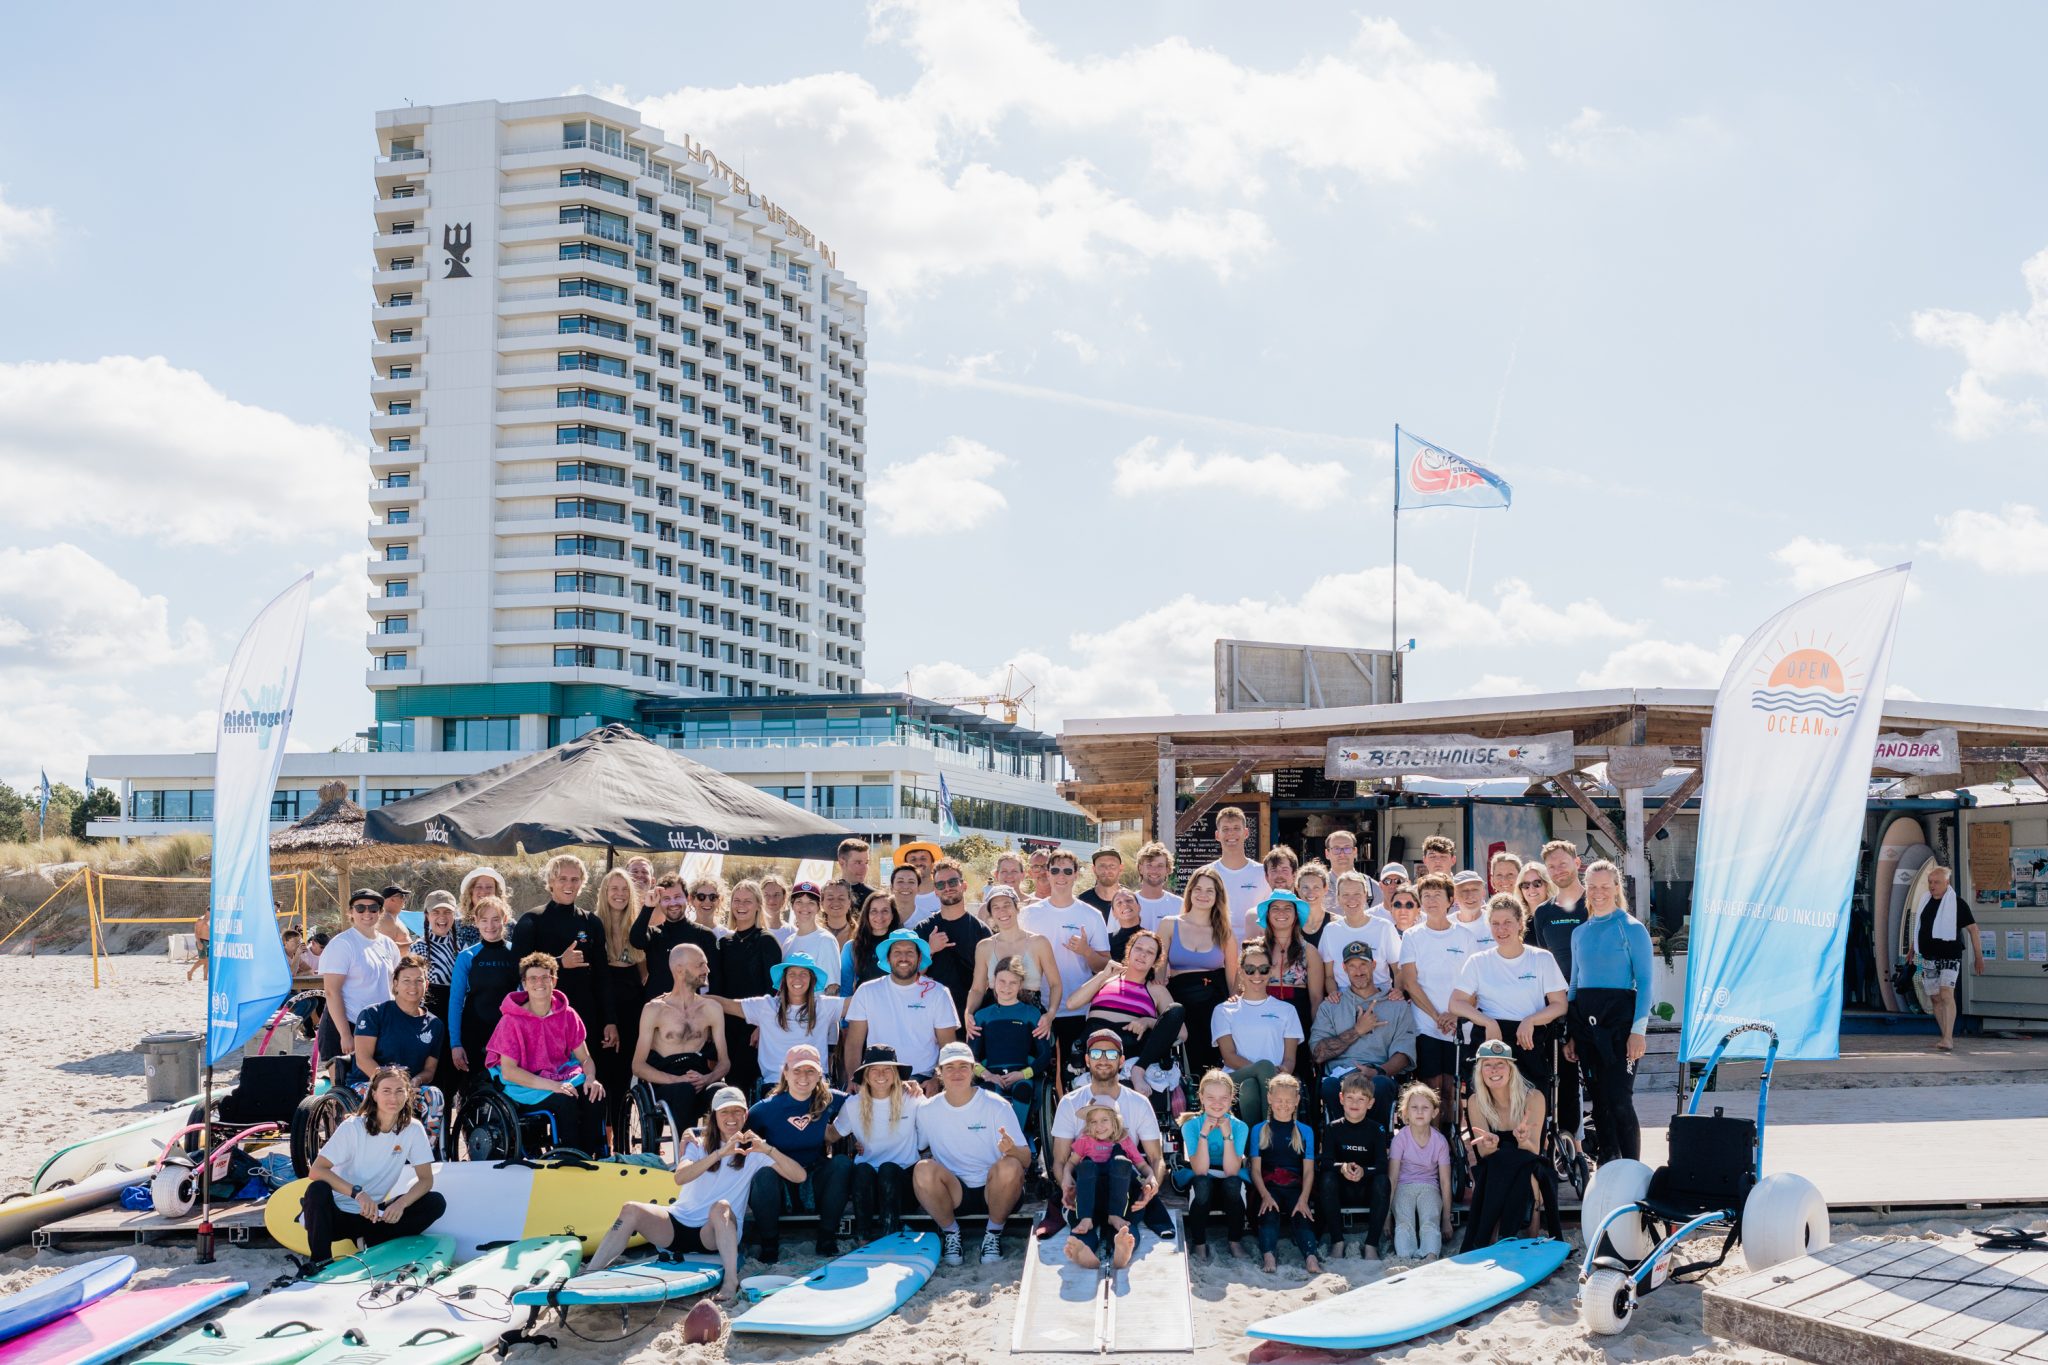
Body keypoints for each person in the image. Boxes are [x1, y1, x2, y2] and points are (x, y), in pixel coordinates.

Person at [585, 1085, 803, 1301]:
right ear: (715, 1115)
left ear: (745, 1115)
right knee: (631, 1209)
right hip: (677, 1226)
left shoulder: (753, 1152)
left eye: (737, 1111)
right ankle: (589, 1274)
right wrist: (719, 1153)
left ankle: (730, 1281)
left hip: (713, 1235)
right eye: (725, 1111)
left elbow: (799, 1176)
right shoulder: (698, 1143)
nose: (731, 1117)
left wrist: (767, 1149)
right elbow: (680, 1177)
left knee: (721, 1206)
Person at [301, 1066, 446, 1262]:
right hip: (336, 1214)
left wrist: (401, 1205)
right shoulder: (353, 1127)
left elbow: (426, 1180)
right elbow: (317, 1170)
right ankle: (320, 1261)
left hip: (374, 1216)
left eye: (399, 1091)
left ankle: (369, 1239)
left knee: (435, 1203)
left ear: (408, 1095)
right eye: (386, 1091)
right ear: (374, 1095)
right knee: (316, 1189)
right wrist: (358, 1194)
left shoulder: (413, 1129)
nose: (393, 1098)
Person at [1040, 1030, 1171, 1243]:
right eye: (1096, 1053)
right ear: (1086, 1060)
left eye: (1110, 1054)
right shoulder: (1070, 1103)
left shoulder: (1139, 1103)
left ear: (1121, 1061)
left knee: (1127, 1234)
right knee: (1082, 1237)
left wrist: (1152, 1183)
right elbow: (1061, 1161)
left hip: (1123, 1186)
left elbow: (1156, 1159)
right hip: (1085, 1185)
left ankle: (1121, 1243)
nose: (1102, 1059)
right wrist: (1066, 1183)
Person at [1567, 859, 1654, 1164]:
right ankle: (1608, 1164)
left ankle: (1631, 1167)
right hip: (1588, 1025)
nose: (1598, 892)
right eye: (1592, 887)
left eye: (1605, 886)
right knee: (1600, 1102)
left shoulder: (1631, 928)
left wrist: (1638, 1032)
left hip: (1620, 1025)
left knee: (1619, 1099)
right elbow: (1575, 985)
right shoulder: (1580, 933)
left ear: (1616, 888)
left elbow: (1645, 983)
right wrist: (1573, 1034)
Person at [912, 1040, 1029, 1267]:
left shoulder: (997, 1105)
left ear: (973, 1070)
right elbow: (916, 1150)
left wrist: (1012, 1150)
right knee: (922, 1169)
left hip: (995, 1191)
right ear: (940, 1072)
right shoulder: (926, 1110)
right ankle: (951, 1233)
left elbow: (1025, 1160)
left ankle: (993, 1235)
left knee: (1011, 1165)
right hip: (954, 1193)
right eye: (950, 1067)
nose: (957, 1073)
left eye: (963, 1066)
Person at [484, 951, 607, 1153]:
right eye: (532, 978)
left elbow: (585, 1058)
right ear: (524, 983)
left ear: (554, 981)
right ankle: (571, 1158)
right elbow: (509, 1072)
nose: (538, 982)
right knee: (565, 1100)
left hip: (560, 1075)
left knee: (594, 1094)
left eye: (545, 977)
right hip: (525, 1085)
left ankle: (595, 1155)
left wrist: (591, 1078)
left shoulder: (567, 1014)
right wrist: (554, 1086)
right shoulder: (511, 1020)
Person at [510, 856, 616, 1088]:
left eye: (575, 879)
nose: (569, 885)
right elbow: (517, 969)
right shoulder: (532, 921)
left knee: (585, 1082)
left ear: (582, 883)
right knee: (547, 1086)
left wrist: (610, 1020)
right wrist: (559, 962)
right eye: (562, 879)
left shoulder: (591, 922)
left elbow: (603, 976)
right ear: (550, 881)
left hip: (585, 1017)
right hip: (543, 1018)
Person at [1450, 895, 1569, 1096]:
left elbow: (1560, 1004)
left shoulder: (1541, 958)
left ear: (1520, 923)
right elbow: (1455, 1003)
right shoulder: (1478, 961)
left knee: (1533, 1096)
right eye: (1495, 923)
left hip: (1528, 1038)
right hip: (1490, 1037)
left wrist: (1531, 1020)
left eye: (1507, 922)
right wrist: (1487, 1022)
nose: (1501, 929)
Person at [744, 1044, 852, 1261]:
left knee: (842, 1164)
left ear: (819, 1074)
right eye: (797, 1070)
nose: (804, 1077)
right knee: (762, 1175)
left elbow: (870, 1101)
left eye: (810, 1071)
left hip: (815, 1177)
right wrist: (693, 1134)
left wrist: (906, 1088)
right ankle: (769, 1244)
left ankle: (826, 1237)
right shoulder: (766, 1108)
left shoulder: (831, 1099)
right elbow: (731, 1132)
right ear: (785, 1072)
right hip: (780, 1180)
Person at [1461, 1040, 1562, 1250]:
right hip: (1495, 1162)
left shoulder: (1533, 1097)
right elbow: (1483, 1152)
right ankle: (1498, 1237)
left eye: (1500, 1063)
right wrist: (1492, 1145)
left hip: (1529, 1160)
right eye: (1487, 1064)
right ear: (1480, 1071)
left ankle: (1526, 1237)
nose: (1494, 1069)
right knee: (1498, 1166)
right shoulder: (1475, 1101)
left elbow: (1534, 1150)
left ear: (1511, 1069)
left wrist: (1523, 1139)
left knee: (1528, 1172)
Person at [1399, 873, 1478, 1130]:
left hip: (1460, 1027)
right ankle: (1431, 1145)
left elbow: (1475, 984)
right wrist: (1437, 1017)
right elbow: (1410, 982)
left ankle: (1453, 1145)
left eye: (1437, 895)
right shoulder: (1411, 936)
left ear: (1450, 900)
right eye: (1426, 896)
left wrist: (1455, 1016)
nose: (1431, 900)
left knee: (1452, 1088)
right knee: (1431, 1090)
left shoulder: (1466, 937)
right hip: (1425, 1024)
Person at [1065, 929, 1186, 1096]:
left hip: (1131, 1042)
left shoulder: (1156, 990)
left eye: (1150, 952)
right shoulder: (1106, 978)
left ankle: (1138, 1070)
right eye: (1139, 948)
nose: (1143, 954)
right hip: (1096, 1039)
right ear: (1129, 951)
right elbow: (1071, 1003)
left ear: (1155, 961)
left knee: (1177, 1009)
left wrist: (1148, 1022)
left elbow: (1182, 1032)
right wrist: (1103, 975)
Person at [1020, 851, 1111, 1065]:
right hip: (1037, 1007)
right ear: (1048, 874)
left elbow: (1106, 966)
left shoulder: (1091, 915)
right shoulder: (1028, 914)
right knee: (1037, 1068)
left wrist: (1086, 951)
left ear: (1076, 875)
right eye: (1055, 870)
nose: (1061, 875)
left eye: (1067, 871)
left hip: (1078, 1007)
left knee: (1071, 1070)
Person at [712, 952, 846, 1095]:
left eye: (803, 974)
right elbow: (727, 1005)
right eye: (792, 973)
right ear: (784, 979)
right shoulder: (766, 1006)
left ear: (812, 979)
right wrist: (691, 997)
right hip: (775, 1085)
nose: (797, 978)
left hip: (814, 1084)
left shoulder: (824, 1006)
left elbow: (861, 1001)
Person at [1309, 941, 1416, 1118]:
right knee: (1329, 1087)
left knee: (1382, 1086)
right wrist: (1357, 1031)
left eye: (1363, 965)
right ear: (1344, 968)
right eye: (1352, 966)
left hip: (1379, 1073)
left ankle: (1378, 1139)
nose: (1358, 972)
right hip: (1340, 1075)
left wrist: (1378, 1072)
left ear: (1374, 965)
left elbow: (1404, 1054)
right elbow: (1318, 1054)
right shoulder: (1332, 1005)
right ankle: (1338, 1138)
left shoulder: (1396, 1005)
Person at [632, 943, 729, 1135]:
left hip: (700, 1077)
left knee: (723, 1092)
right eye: (700, 965)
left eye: (706, 964)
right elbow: (638, 1066)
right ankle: (688, 1153)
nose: (707, 970)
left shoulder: (712, 1008)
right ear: (679, 969)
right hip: (667, 1082)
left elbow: (725, 1061)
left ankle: (722, 1154)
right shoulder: (654, 1010)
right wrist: (677, 1080)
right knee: (683, 1090)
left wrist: (708, 1078)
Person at [351, 956, 448, 1143]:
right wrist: (392, 1087)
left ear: (426, 985)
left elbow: (429, 1070)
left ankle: (425, 1153)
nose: (413, 986)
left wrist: (416, 1081)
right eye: (406, 980)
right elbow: (363, 1059)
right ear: (395, 985)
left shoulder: (435, 1024)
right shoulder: (374, 1014)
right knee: (391, 1096)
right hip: (369, 1083)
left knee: (434, 1094)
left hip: (409, 1087)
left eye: (419, 980)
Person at [843, 931, 961, 1085]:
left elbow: (948, 1046)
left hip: (923, 1081)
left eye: (910, 952)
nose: (903, 958)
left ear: (919, 958)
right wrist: (853, 1079)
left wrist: (937, 1080)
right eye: (897, 952)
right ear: (888, 958)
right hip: (878, 1080)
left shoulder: (938, 993)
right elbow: (854, 1043)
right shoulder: (867, 991)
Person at [831, 1045, 922, 1240]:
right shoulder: (853, 1104)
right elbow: (831, 1135)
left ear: (896, 1072)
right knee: (862, 1169)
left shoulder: (912, 1099)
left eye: (887, 1068)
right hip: (868, 1189)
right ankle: (863, 1237)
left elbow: (931, 1132)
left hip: (903, 1184)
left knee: (888, 1169)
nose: (881, 1074)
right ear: (866, 1074)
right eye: (874, 1069)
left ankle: (890, 1235)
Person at [1213, 941, 1304, 1127]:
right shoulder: (1223, 1010)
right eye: (1250, 969)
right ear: (1240, 971)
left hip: (1274, 1080)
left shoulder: (1287, 1010)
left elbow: (1289, 1059)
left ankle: (1253, 1149)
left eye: (1263, 969)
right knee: (1261, 1069)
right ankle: (1272, 1135)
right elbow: (1229, 1057)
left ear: (1270, 971)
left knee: (1250, 1089)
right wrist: (1264, 1070)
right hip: (1233, 1078)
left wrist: (1283, 1070)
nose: (1257, 975)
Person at [1156, 867, 1237, 1075]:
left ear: (1218, 896)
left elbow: (1233, 981)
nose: (1203, 895)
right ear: (1190, 891)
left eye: (1210, 891)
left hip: (1213, 1005)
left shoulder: (1225, 932)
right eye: (1198, 889)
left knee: (1212, 1064)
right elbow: (1158, 975)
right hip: (1179, 1002)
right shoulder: (1168, 924)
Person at [321, 890, 405, 1085]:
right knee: (342, 1092)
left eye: (373, 908)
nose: (367, 912)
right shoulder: (342, 944)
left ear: (380, 911)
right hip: (346, 1024)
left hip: (379, 1026)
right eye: (360, 908)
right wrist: (345, 1034)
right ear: (351, 912)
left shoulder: (388, 944)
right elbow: (332, 992)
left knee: (378, 1089)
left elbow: (394, 986)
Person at [593, 869, 647, 1151]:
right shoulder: (593, 924)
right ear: (604, 891)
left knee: (624, 1076)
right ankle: (605, 1139)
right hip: (602, 1001)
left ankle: (622, 1143)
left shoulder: (638, 926)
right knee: (602, 1073)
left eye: (624, 889)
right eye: (613, 888)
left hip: (631, 1003)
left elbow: (644, 974)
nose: (619, 894)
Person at [1064, 1101, 1153, 1270]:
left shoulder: (1124, 1141)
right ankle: (1084, 1250)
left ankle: (1123, 1250)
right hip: (1090, 1202)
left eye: (1104, 1120)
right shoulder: (1085, 1140)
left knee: (1121, 1162)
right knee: (1086, 1166)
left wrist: (1151, 1176)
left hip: (1119, 1200)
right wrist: (1066, 1176)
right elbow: (1070, 1163)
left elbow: (1141, 1165)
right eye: (1093, 1122)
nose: (1099, 1126)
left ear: (1115, 1121)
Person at [1248, 1073, 1321, 1276]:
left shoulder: (1305, 1131)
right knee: (1268, 1213)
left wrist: (1304, 1199)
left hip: (1295, 1185)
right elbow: (1255, 1169)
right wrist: (1265, 1196)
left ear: (1297, 1100)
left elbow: (1308, 1171)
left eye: (1289, 1101)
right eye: (1279, 1100)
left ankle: (1310, 1255)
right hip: (1268, 1185)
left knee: (1302, 1214)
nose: (1284, 1105)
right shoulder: (1259, 1130)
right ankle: (1268, 1254)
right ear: (1270, 1098)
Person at [718, 879, 784, 1097]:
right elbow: (720, 987)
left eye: (747, 900)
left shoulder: (766, 941)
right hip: (729, 1025)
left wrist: (762, 1025)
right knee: (733, 1085)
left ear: (758, 904)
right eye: (736, 900)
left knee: (751, 1086)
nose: (741, 905)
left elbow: (776, 988)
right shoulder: (725, 942)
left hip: (755, 1027)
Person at [1318, 1071, 1391, 1260]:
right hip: (1341, 1190)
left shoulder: (1377, 1130)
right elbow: (1325, 1162)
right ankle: (1337, 1241)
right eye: (1350, 1097)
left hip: (1367, 1189)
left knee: (1383, 1181)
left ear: (1371, 1103)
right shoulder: (1333, 1128)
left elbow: (1382, 1165)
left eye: (1361, 1099)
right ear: (1341, 1099)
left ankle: (1371, 1244)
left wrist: (1364, 1171)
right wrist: (1342, 1167)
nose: (1355, 1103)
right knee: (1326, 1178)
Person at [1914, 863, 1986, 1053]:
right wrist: (1913, 949)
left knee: (1946, 994)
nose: (1932, 886)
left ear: (1946, 882)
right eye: (1930, 882)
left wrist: (1979, 956)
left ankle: (1948, 1038)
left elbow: (1973, 929)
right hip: (1928, 955)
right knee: (1935, 998)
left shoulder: (1957, 903)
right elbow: (1920, 928)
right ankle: (1944, 1035)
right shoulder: (1924, 901)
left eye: (1936, 882)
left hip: (1950, 955)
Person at [1178, 1068, 1248, 1261]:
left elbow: (1232, 1170)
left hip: (1227, 1180)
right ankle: (1199, 1243)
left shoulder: (1240, 1126)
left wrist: (1227, 1135)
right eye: (1211, 1097)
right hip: (1204, 1181)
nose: (1217, 1104)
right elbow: (1200, 1170)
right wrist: (1203, 1134)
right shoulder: (1191, 1126)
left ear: (1232, 1098)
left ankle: (1235, 1241)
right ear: (1201, 1097)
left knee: (1234, 1184)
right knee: (1201, 1184)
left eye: (1223, 1098)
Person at [449, 897, 519, 1085]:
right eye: (484, 920)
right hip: (474, 1034)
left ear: (505, 920)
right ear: (476, 921)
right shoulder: (467, 957)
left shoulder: (516, 954)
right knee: (473, 1091)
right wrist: (456, 1044)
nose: (490, 925)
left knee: (506, 1090)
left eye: (496, 919)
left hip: (508, 1036)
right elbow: (455, 1003)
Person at [971, 956, 1044, 1136]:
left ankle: (1016, 1139)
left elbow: (1044, 1055)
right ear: (993, 982)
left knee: (1023, 1090)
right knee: (988, 1093)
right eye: (1002, 981)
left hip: (1021, 1076)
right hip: (991, 1077)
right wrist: (987, 1075)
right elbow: (970, 1057)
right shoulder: (981, 1016)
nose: (1006, 987)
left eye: (1013, 983)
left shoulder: (1032, 1014)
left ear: (1021, 985)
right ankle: (991, 1140)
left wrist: (1022, 1074)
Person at [965, 885, 1062, 1021]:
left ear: (1017, 908)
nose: (1002, 911)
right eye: (996, 907)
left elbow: (1055, 984)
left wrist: (1050, 1015)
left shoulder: (1039, 943)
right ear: (991, 914)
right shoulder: (984, 947)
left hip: (1031, 1020)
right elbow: (977, 989)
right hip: (994, 1020)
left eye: (1007, 905)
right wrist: (968, 1013)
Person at [632, 873, 722, 1001]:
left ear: (687, 898)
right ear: (659, 902)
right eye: (666, 898)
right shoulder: (654, 934)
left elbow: (716, 981)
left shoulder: (705, 935)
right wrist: (648, 907)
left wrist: (706, 1010)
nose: (672, 903)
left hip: (691, 1013)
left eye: (677, 897)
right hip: (656, 1012)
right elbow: (636, 940)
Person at [919, 857, 991, 1015]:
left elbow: (989, 980)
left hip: (971, 1013)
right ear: (935, 891)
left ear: (963, 886)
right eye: (940, 884)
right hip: (931, 1013)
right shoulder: (924, 928)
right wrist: (929, 950)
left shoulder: (982, 931)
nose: (947, 888)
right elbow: (912, 975)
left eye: (952, 882)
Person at [1387, 1082, 1452, 1259]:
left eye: (1425, 1107)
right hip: (1403, 1186)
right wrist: (1386, 1216)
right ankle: (1405, 1256)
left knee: (1430, 1220)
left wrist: (1446, 1219)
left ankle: (1430, 1255)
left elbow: (1445, 1181)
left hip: (1429, 1186)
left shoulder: (1439, 1141)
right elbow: (1392, 1178)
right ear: (1406, 1112)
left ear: (1435, 1112)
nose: (1420, 1112)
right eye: (1414, 1107)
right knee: (1404, 1221)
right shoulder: (1400, 1139)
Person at [1318, 871, 1402, 997]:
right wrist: (1333, 994)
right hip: (1345, 997)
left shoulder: (1384, 927)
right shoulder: (1330, 930)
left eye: (1357, 894)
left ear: (1365, 895)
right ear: (1338, 897)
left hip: (1381, 995)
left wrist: (1398, 992)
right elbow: (1329, 976)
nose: (1352, 899)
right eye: (1345, 894)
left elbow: (1399, 970)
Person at [1254, 893, 1325, 1040]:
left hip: (1298, 1021)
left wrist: (1316, 1036)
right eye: (1275, 908)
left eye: (1288, 908)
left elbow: (1316, 998)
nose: (1281, 912)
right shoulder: (1254, 950)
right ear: (1267, 915)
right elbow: (1240, 990)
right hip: (1260, 1020)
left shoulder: (1310, 951)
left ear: (1296, 915)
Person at [415, 890, 478, 1038]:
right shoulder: (419, 947)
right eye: (436, 912)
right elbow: (417, 987)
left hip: (461, 1012)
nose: (442, 917)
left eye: (447, 912)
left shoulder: (464, 945)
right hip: (431, 1015)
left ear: (454, 915)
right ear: (427, 915)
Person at [1200, 806, 1270, 926]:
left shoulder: (1263, 873)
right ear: (1217, 835)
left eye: (1236, 828)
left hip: (1255, 944)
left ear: (1246, 833)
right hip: (1215, 943)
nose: (1231, 833)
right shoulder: (1205, 874)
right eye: (1225, 829)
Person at [779, 882, 843, 995]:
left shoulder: (826, 940)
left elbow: (832, 989)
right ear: (792, 905)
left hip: (817, 1012)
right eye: (799, 902)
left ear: (819, 907)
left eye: (811, 903)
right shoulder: (788, 942)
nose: (805, 907)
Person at [841, 888, 904, 993]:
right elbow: (845, 986)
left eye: (885, 911)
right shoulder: (852, 947)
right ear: (867, 914)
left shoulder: (903, 944)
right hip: (864, 1005)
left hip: (896, 1005)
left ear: (893, 915)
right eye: (874, 911)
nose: (879, 916)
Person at [1132, 842, 1181, 928]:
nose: (1154, 870)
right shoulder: (1126, 903)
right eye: (1149, 865)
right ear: (1140, 869)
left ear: (1167, 870)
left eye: (1160, 866)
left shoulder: (1180, 905)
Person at [895, 841, 944, 927]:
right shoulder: (898, 896)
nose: (918, 863)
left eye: (923, 858)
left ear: (933, 863)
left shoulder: (945, 892)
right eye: (913, 859)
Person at [836, 837, 879, 919]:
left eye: (866, 862)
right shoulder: (828, 894)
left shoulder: (874, 897)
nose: (864, 868)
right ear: (842, 863)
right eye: (858, 862)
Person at [1078, 846, 1124, 920]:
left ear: (1121, 868)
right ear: (1094, 869)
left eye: (1112, 865)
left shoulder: (1131, 902)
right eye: (1102, 866)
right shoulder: (1081, 902)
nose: (1106, 870)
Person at [1450, 870, 1492, 944]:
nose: (1470, 896)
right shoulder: (1446, 925)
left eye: (1475, 890)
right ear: (1454, 896)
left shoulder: (1495, 922)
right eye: (1464, 890)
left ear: (1483, 893)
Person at [1293, 863, 1332, 940]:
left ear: (1325, 889)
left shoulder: (1336, 923)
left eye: (1316, 887)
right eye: (1305, 887)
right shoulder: (1290, 924)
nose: (1311, 893)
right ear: (1297, 889)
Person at [375, 884, 415, 952]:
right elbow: (387, 948)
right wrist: (417, 944)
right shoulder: (385, 918)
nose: (404, 899)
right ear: (392, 899)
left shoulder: (392, 917)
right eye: (402, 896)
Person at [820, 879, 856, 943]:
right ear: (822, 903)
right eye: (830, 898)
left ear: (849, 903)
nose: (836, 902)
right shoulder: (812, 933)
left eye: (841, 898)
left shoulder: (860, 935)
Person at [760, 874, 792, 944]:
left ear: (784, 898)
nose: (771, 900)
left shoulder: (792, 933)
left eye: (777, 895)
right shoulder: (750, 931)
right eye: (766, 895)